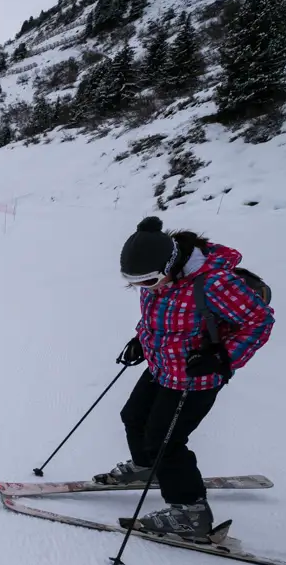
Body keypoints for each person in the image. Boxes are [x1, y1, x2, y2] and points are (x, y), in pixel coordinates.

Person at [95, 216, 275, 539]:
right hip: (163, 364)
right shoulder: (159, 279)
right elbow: (157, 316)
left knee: (165, 440)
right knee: (133, 417)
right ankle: (148, 465)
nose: (142, 288)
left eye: (147, 282)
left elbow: (259, 323)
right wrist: (141, 339)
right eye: (135, 283)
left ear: (170, 265)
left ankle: (190, 511)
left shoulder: (213, 284)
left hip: (197, 377)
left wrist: (221, 359)